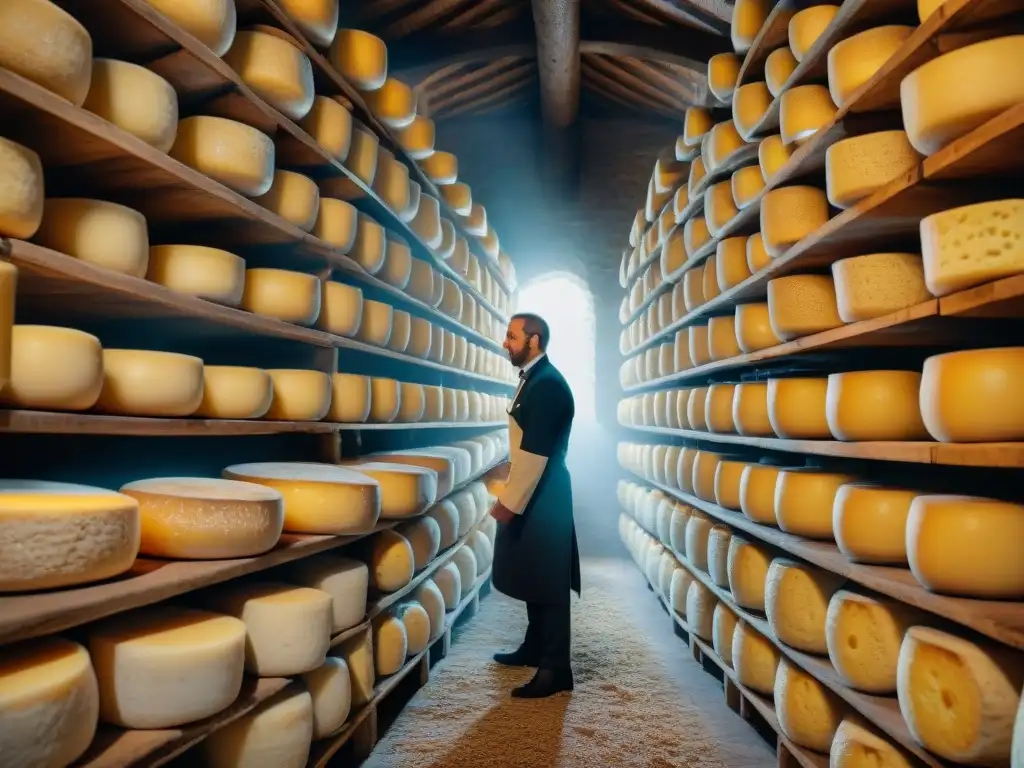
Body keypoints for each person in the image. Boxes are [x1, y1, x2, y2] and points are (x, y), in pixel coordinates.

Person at [488, 312, 581, 699]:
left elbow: (535, 456)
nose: (505, 342)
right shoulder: (535, 380)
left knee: (550, 580)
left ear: (534, 340)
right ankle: (534, 646)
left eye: (512, 336)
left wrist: (508, 504)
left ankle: (556, 668)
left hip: (544, 494)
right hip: (536, 488)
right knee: (533, 571)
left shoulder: (547, 385)